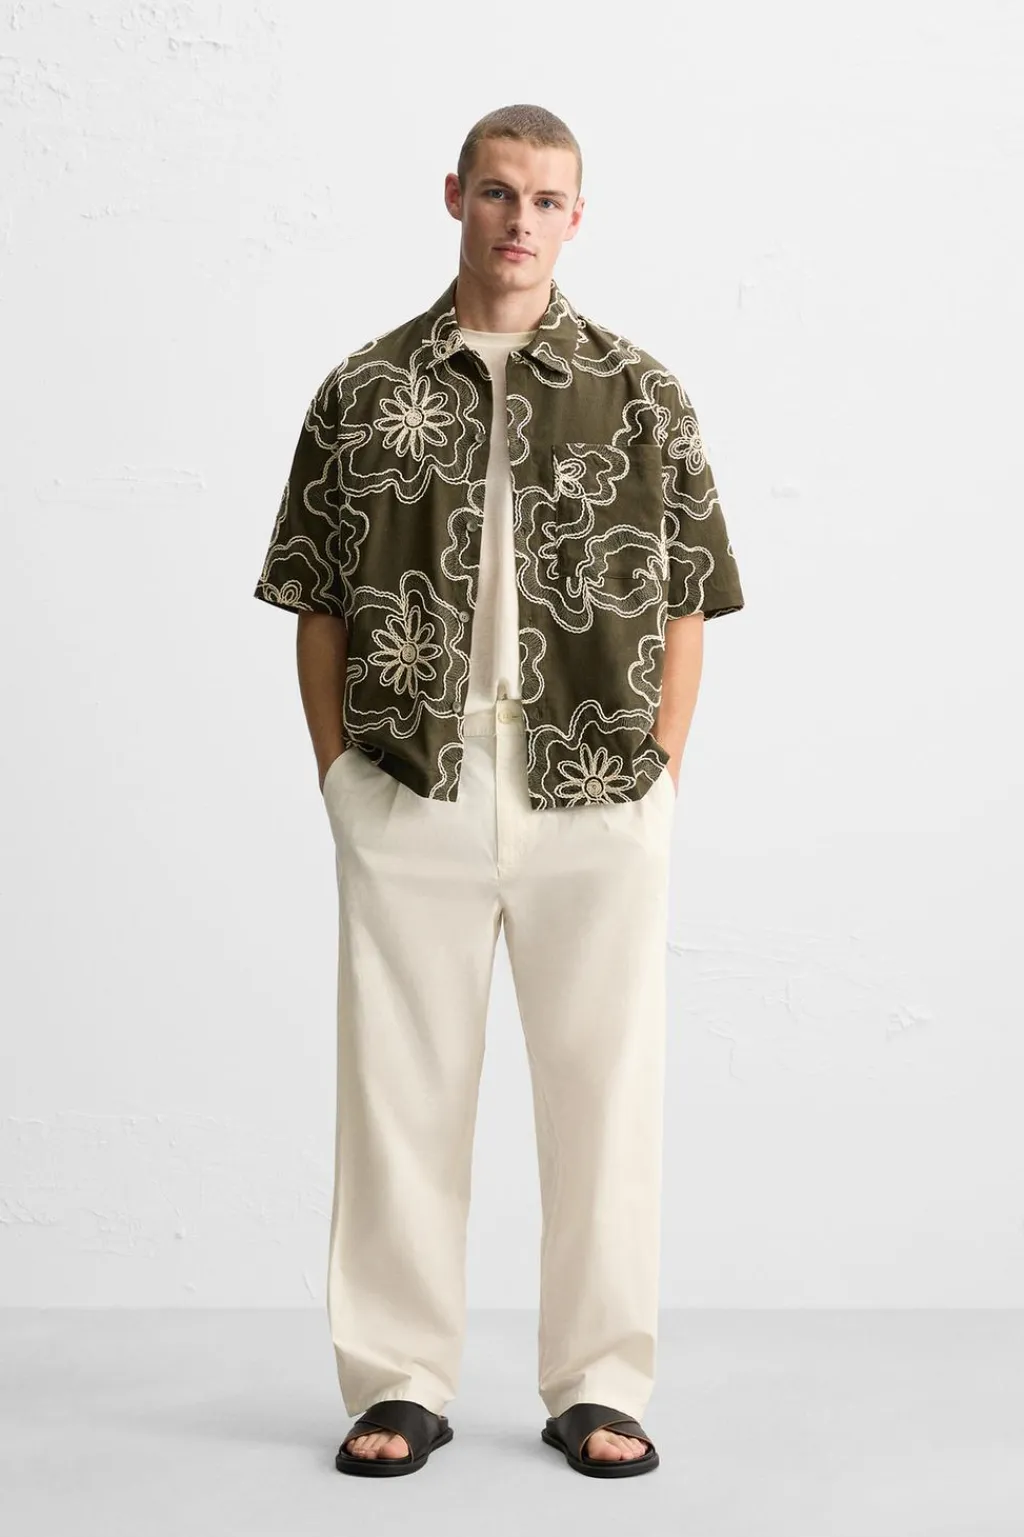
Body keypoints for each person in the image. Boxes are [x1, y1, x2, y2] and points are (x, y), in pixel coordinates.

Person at [254, 103, 745, 1480]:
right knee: (397, 1094)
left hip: (598, 784)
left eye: (545, 199)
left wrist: (661, 774)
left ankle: (601, 1383)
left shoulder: (642, 392)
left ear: (576, 218)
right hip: (411, 778)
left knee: (607, 1096)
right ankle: (400, 1379)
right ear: (455, 196)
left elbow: (692, 598)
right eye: (497, 193)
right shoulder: (364, 390)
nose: (519, 220)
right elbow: (316, 599)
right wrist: (340, 777)